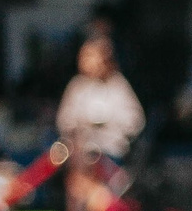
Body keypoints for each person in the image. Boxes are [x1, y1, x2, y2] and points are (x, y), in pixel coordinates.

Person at [55, 34, 142, 165]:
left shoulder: (117, 85)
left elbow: (135, 120)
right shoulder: (76, 86)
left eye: (90, 56)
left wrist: (107, 123)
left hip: (112, 153)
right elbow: (64, 121)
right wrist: (83, 124)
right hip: (82, 154)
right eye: (83, 56)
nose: (84, 61)